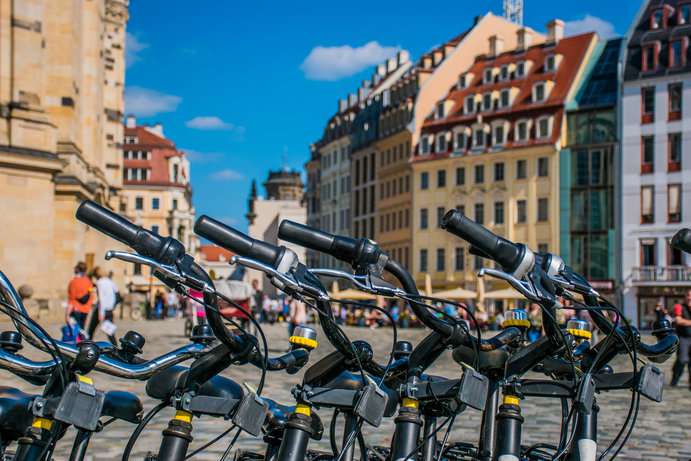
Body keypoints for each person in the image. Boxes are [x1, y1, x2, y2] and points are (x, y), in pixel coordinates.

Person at [92, 267, 118, 344]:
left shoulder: (99, 282)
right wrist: (113, 306)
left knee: (91, 329)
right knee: (110, 331)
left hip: (102, 309)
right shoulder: (111, 282)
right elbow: (117, 294)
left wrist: (101, 313)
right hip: (110, 309)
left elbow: (101, 299)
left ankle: (87, 345)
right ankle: (116, 347)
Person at [671, 290, 691, 387]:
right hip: (683, 338)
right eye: (688, 295)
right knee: (682, 359)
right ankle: (675, 379)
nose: (689, 297)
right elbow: (678, 320)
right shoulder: (679, 307)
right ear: (685, 296)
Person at [67, 261, 94, 330]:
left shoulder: (73, 282)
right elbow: (91, 295)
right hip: (85, 309)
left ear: (77, 269)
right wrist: (88, 306)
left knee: (75, 331)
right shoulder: (89, 281)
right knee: (82, 330)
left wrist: (67, 314)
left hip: (75, 309)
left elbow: (71, 299)